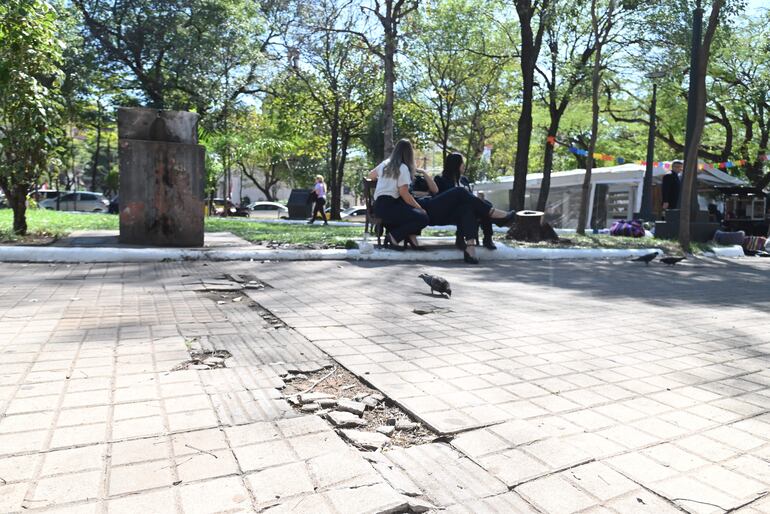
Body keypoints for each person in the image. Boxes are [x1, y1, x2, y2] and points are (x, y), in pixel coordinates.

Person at [368, 139, 429, 250]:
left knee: (411, 212)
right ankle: (393, 237)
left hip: (378, 206)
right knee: (422, 217)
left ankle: (408, 240)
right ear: (408, 154)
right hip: (389, 206)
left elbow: (370, 175)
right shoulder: (403, 168)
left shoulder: (385, 164)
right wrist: (420, 208)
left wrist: (383, 180)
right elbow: (404, 194)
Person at [434, 153, 497, 250]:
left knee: (486, 204)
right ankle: (460, 238)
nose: (464, 165)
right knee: (466, 209)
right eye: (461, 162)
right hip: (449, 211)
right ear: (455, 164)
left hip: (466, 209)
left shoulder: (464, 180)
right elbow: (441, 199)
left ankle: (488, 238)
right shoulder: (440, 179)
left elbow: (470, 197)